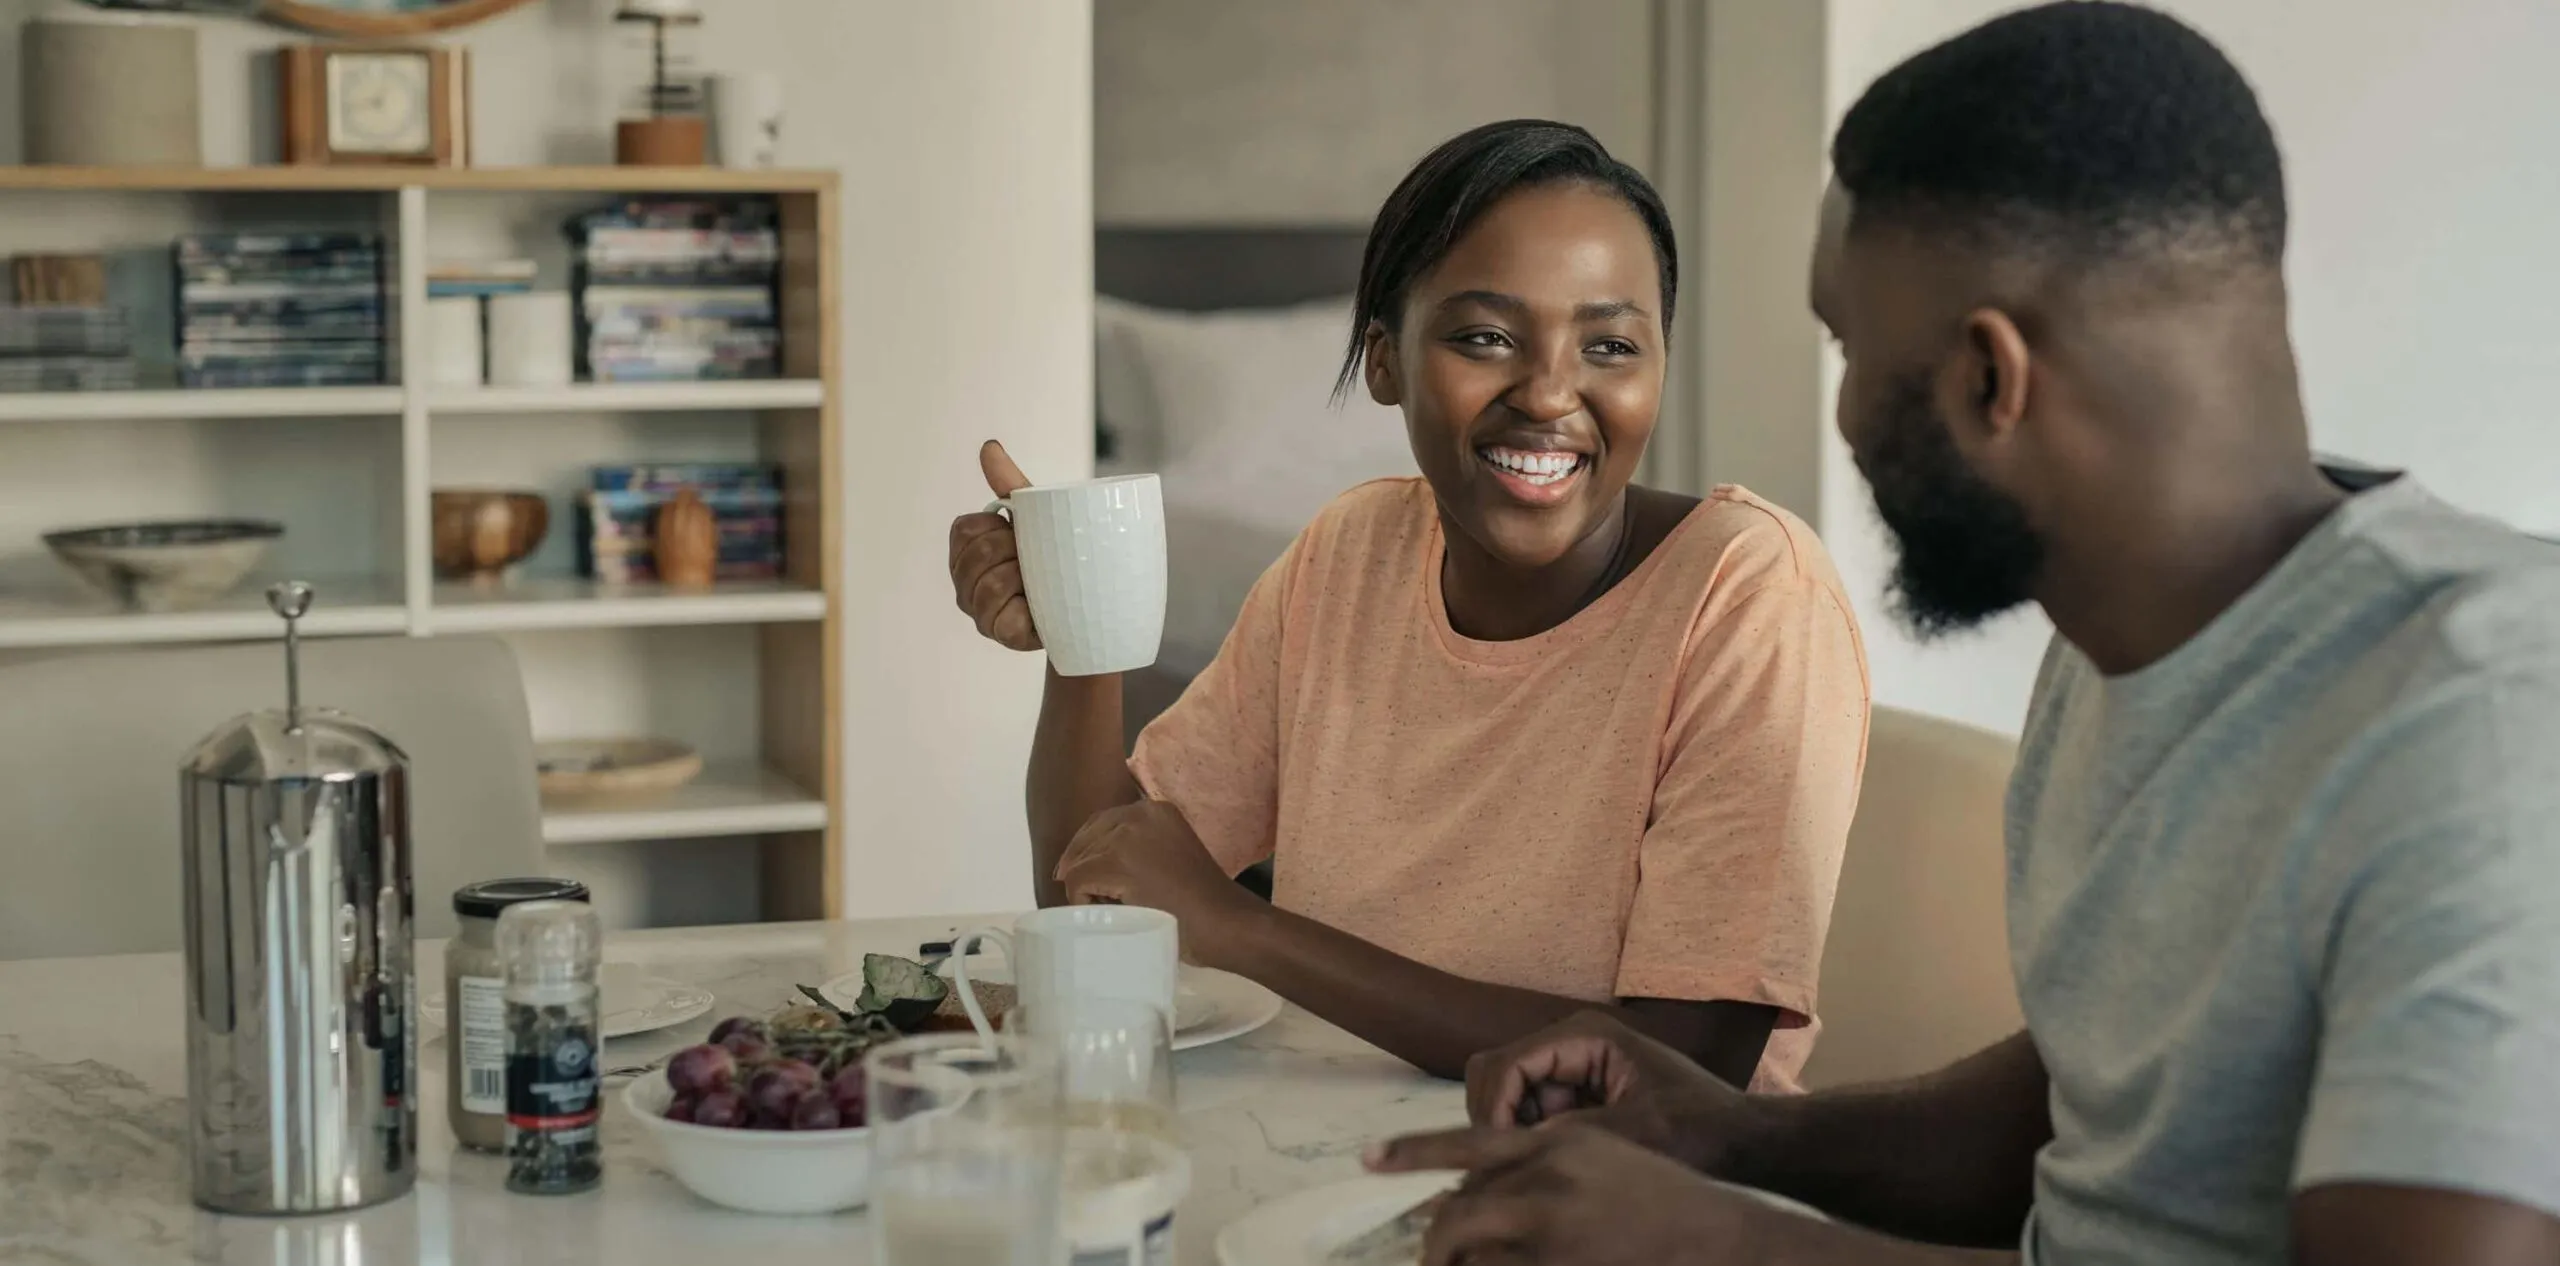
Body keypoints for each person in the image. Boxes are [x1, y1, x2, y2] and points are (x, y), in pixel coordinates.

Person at [1368, 4, 2560, 1264]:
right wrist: (1724, 1137)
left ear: (1989, 381)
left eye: (1846, 344)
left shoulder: (2479, 722)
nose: (1838, 412)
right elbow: (2093, 1118)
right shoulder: (2128, 639)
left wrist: (1728, 1248)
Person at [948, 120, 1870, 1088]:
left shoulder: (1747, 591)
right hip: (1324, 1147)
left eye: (1609, 344)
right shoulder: (1348, 556)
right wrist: (1077, 629)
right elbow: (1095, 910)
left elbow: (1685, 1063)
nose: (1552, 393)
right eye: (1485, 338)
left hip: (1613, 1192)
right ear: (1383, 360)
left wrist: (1237, 929)